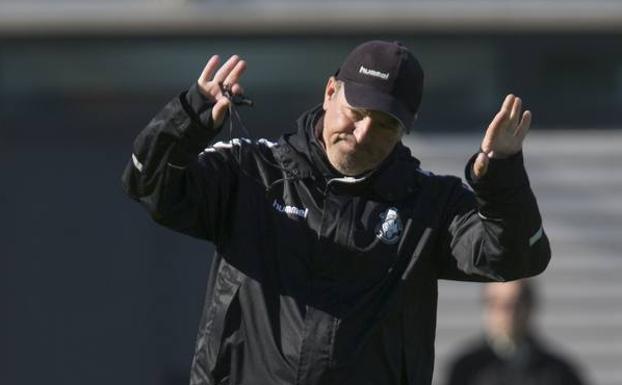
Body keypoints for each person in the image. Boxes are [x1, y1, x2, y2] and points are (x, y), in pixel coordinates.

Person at [122, 41, 551, 385]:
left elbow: (517, 255)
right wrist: (188, 121)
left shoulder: (429, 205)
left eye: (384, 125)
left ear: (407, 128)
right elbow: (148, 185)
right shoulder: (249, 172)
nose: (363, 133)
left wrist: (500, 175)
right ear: (330, 91)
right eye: (357, 112)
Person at [444, 280, 585, 385]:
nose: (505, 313)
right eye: (494, 303)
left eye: (514, 304)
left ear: (529, 308)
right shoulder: (466, 369)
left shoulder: (559, 373)